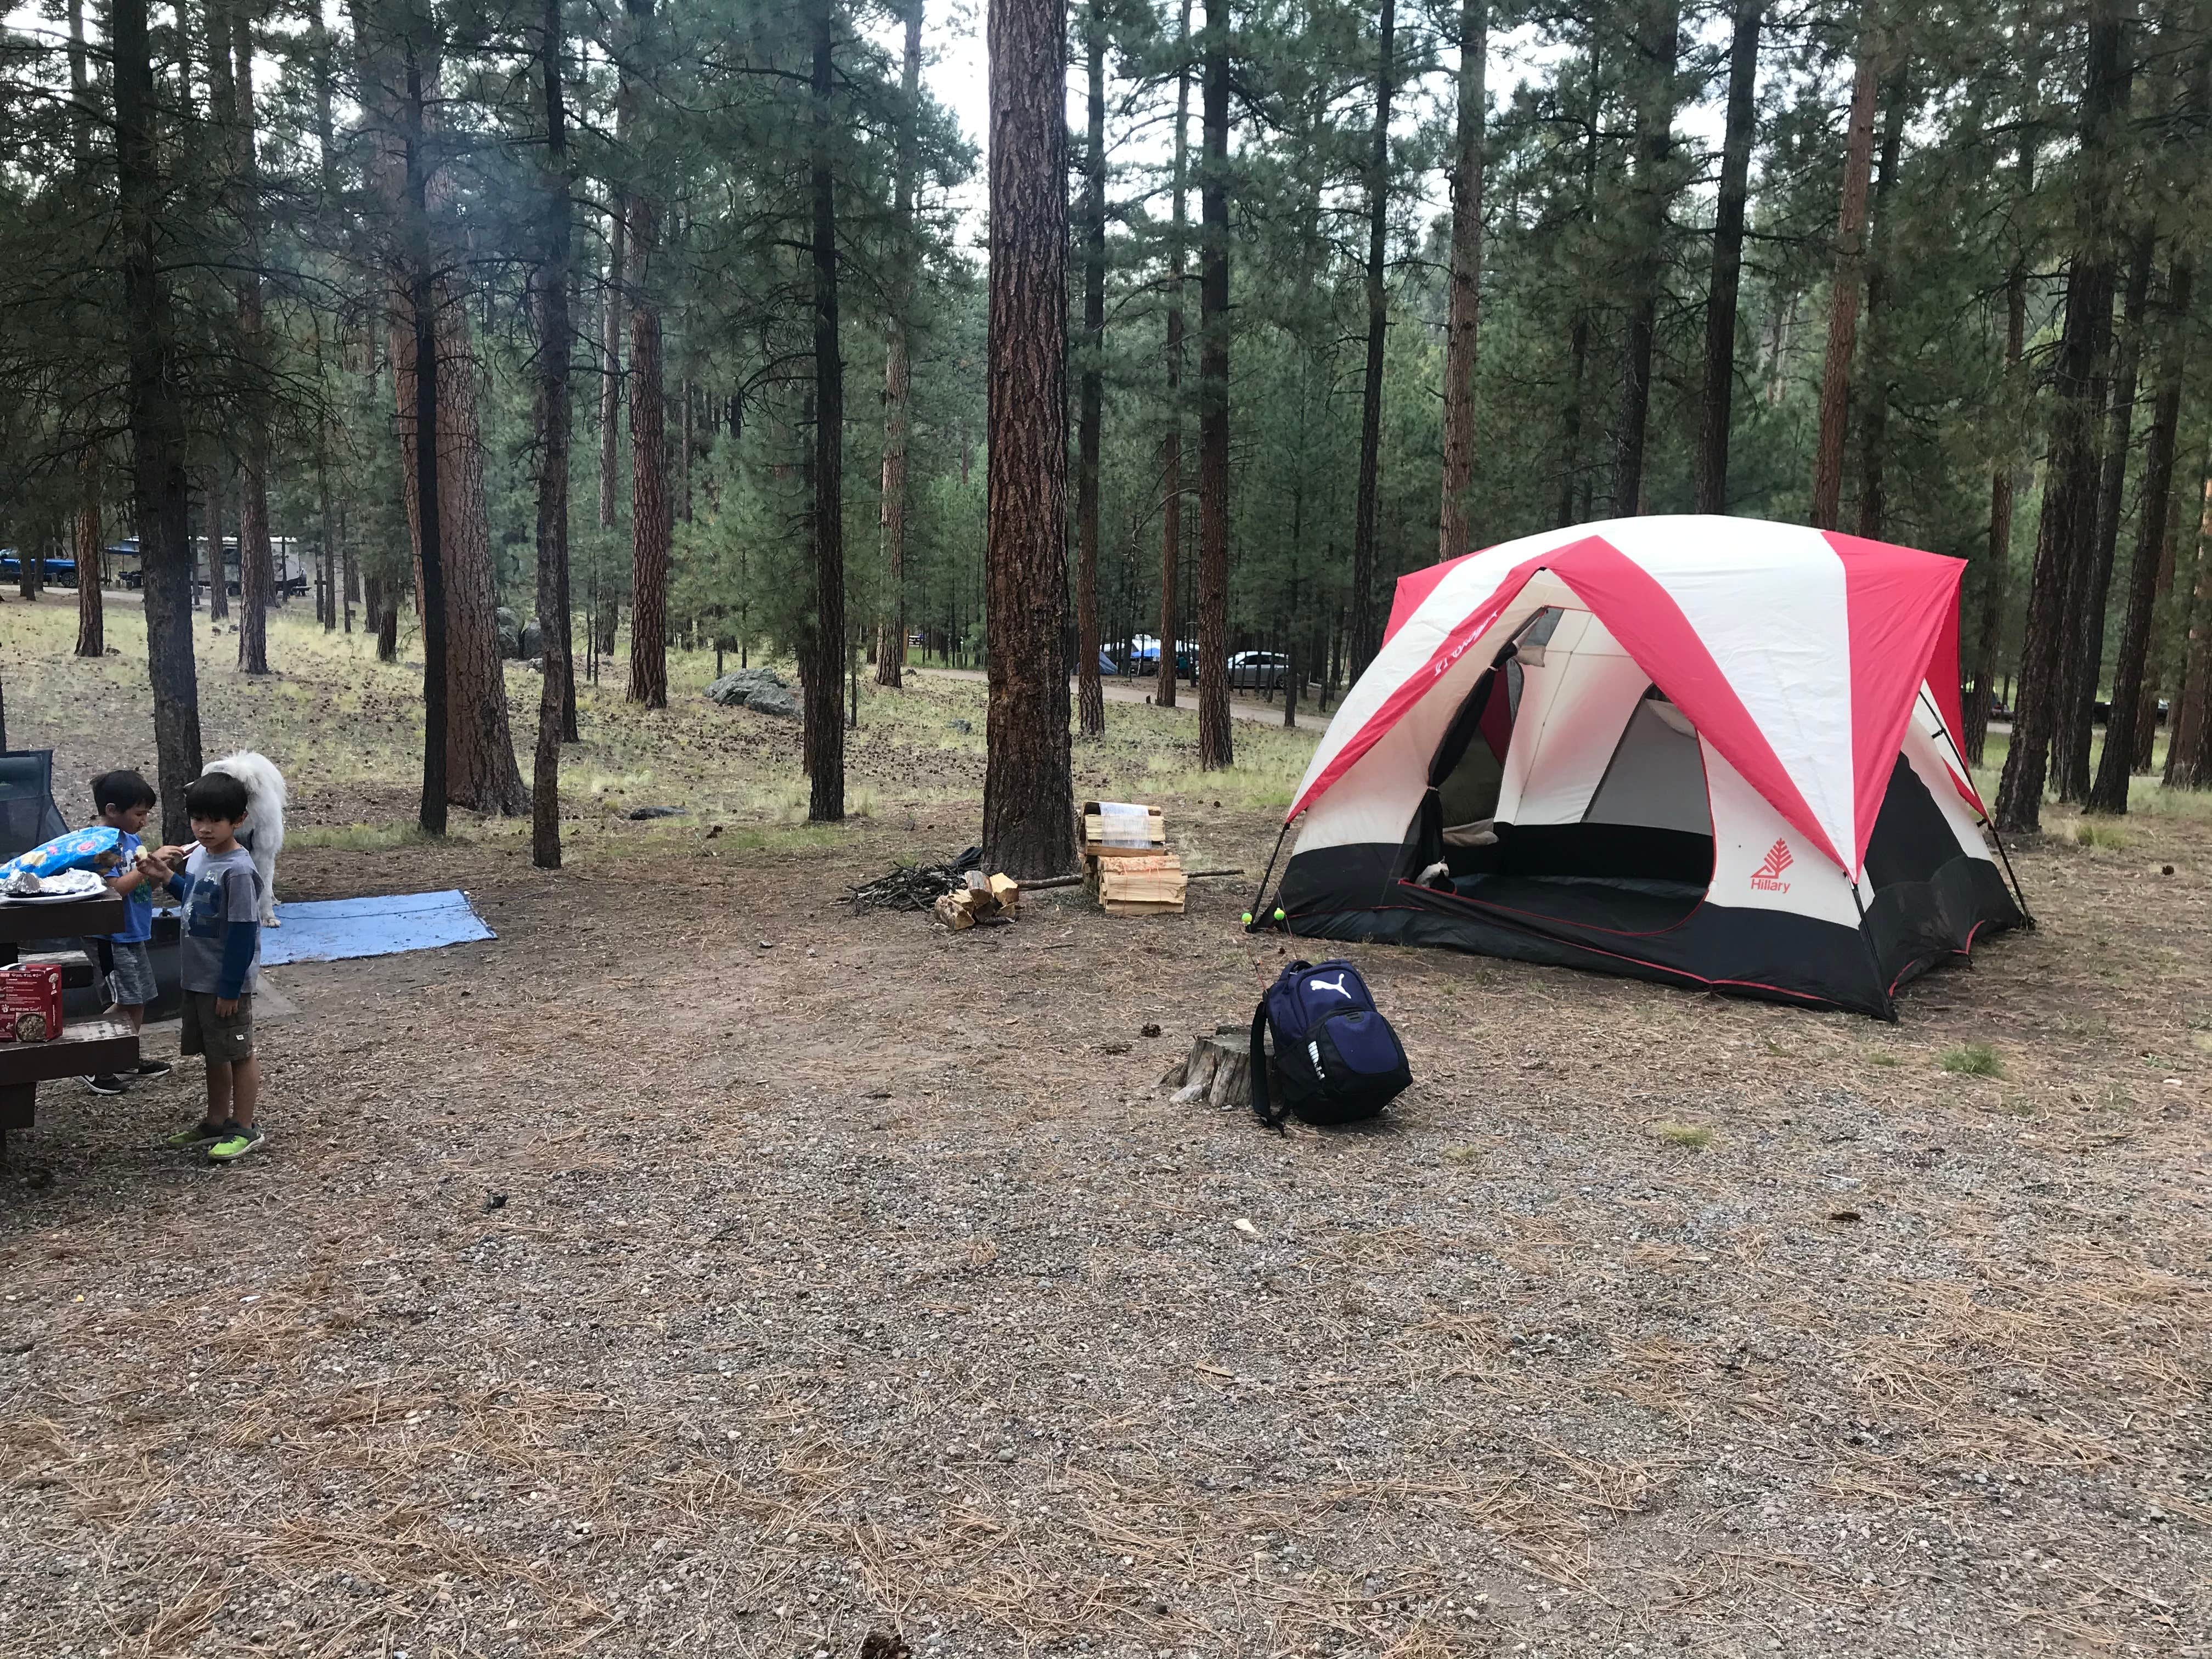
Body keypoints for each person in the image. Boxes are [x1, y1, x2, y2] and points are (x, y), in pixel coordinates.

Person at [144, 772, 267, 1163]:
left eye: (215, 820)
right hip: (197, 977)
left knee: (238, 1051)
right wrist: (167, 878)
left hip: (223, 981)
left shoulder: (239, 870)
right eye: (198, 819)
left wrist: (231, 987)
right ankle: (215, 1121)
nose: (204, 828)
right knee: (213, 1053)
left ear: (239, 821)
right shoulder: (200, 856)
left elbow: (244, 932)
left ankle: (244, 1126)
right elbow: (199, 901)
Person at [81, 770, 176, 1097]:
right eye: (139, 814)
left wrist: (161, 869)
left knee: (140, 999)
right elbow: (115, 890)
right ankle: (93, 1063)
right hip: (110, 937)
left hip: (134, 931)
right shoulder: (101, 846)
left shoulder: (131, 841)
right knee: (125, 1001)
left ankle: (123, 1058)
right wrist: (144, 867)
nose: (144, 821)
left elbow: (139, 885)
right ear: (112, 810)